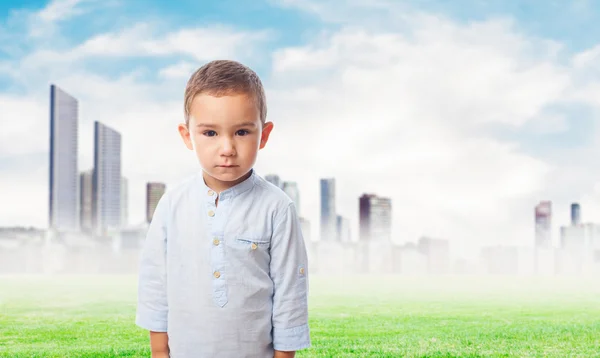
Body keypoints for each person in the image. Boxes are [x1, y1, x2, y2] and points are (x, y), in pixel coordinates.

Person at [135, 60, 311, 358]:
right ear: (187, 135)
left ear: (264, 135)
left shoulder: (277, 207)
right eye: (210, 133)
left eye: (242, 132)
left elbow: (290, 292)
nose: (227, 148)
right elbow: (155, 282)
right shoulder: (172, 204)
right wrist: (159, 351)